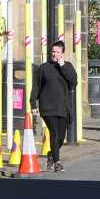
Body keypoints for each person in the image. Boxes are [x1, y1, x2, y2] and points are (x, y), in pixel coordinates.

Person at [32, 39, 78, 172]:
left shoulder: (67, 66)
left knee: (60, 137)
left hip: (63, 107)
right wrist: (33, 104)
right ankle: (58, 162)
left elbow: (73, 81)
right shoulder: (44, 68)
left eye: (57, 52)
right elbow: (36, 87)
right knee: (54, 132)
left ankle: (52, 155)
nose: (54, 54)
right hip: (47, 107)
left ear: (62, 53)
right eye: (52, 51)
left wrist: (63, 66)